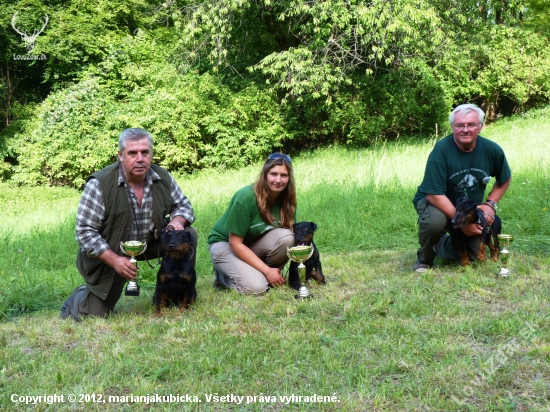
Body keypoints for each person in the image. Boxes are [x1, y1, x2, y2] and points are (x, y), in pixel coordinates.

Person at [60, 128, 197, 321]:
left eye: (145, 152)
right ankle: (83, 295)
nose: (140, 158)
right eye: (132, 153)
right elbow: (84, 232)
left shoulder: (162, 177)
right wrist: (115, 260)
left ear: (151, 154)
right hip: (113, 251)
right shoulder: (100, 184)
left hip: (153, 241)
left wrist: (177, 220)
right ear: (120, 155)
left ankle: (180, 291)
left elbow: (184, 206)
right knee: (93, 315)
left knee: (188, 232)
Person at [412, 104, 512, 273]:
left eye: (471, 124)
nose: (465, 129)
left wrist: (490, 204)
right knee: (434, 221)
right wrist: (461, 225)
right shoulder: (441, 150)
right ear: (452, 127)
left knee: (474, 255)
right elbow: (434, 195)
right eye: (460, 125)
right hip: (436, 201)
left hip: (466, 207)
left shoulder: (491, 149)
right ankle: (425, 259)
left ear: (480, 127)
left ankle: (441, 243)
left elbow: (505, 178)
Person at [208, 153, 296, 294]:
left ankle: (265, 275)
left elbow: (289, 232)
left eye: (283, 175)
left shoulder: (288, 200)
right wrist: (267, 270)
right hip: (225, 244)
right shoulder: (246, 197)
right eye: (273, 174)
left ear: (289, 178)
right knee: (257, 288)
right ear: (265, 174)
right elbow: (235, 243)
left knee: (288, 237)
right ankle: (223, 277)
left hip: (253, 243)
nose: (278, 180)